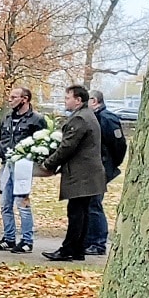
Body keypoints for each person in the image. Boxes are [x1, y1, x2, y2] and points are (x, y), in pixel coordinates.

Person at [37, 85, 105, 262]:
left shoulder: (80, 119)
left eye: (67, 98)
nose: (64, 101)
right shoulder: (86, 115)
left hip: (82, 174)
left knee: (76, 213)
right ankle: (77, 249)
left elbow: (67, 147)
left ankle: (68, 250)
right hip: (88, 173)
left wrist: (47, 163)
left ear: (78, 100)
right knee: (81, 212)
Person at [0, 87, 47, 254]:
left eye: (14, 97)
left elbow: (43, 143)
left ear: (24, 99)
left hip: (23, 167)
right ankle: (9, 238)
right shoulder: (6, 118)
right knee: (5, 204)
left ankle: (27, 241)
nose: (10, 100)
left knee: (22, 204)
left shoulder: (36, 120)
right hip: (6, 165)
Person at [85, 90, 127, 255]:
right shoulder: (94, 118)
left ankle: (98, 243)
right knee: (88, 204)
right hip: (93, 168)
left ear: (94, 101)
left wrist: (109, 165)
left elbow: (119, 145)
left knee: (94, 204)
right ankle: (89, 241)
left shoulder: (107, 119)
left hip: (101, 168)